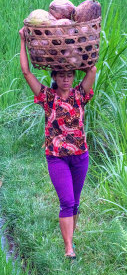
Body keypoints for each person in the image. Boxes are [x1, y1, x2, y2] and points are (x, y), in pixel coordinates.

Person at [19, 28, 97, 259]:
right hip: (57, 157)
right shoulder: (47, 98)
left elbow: (91, 69)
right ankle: (68, 249)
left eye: (70, 74)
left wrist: (80, 46)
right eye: (61, 74)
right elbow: (26, 72)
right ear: (54, 77)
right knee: (67, 201)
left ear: (74, 77)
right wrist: (23, 40)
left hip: (80, 156)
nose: (66, 78)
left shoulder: (80, 95)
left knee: (75, 203)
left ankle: (71, 239)